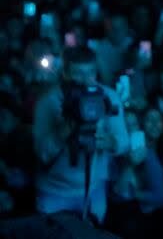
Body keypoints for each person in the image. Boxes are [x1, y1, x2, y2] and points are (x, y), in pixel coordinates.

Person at [33, 45, 129, 225]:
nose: (85, 80)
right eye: (78, 73)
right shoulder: (48, 102)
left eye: (90, 73)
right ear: (65, 73)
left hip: (93, 191)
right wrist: (66, 128)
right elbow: (41, 152)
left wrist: (111, 142)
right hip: (55, 192)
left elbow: (124, 141)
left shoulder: (108, 97)